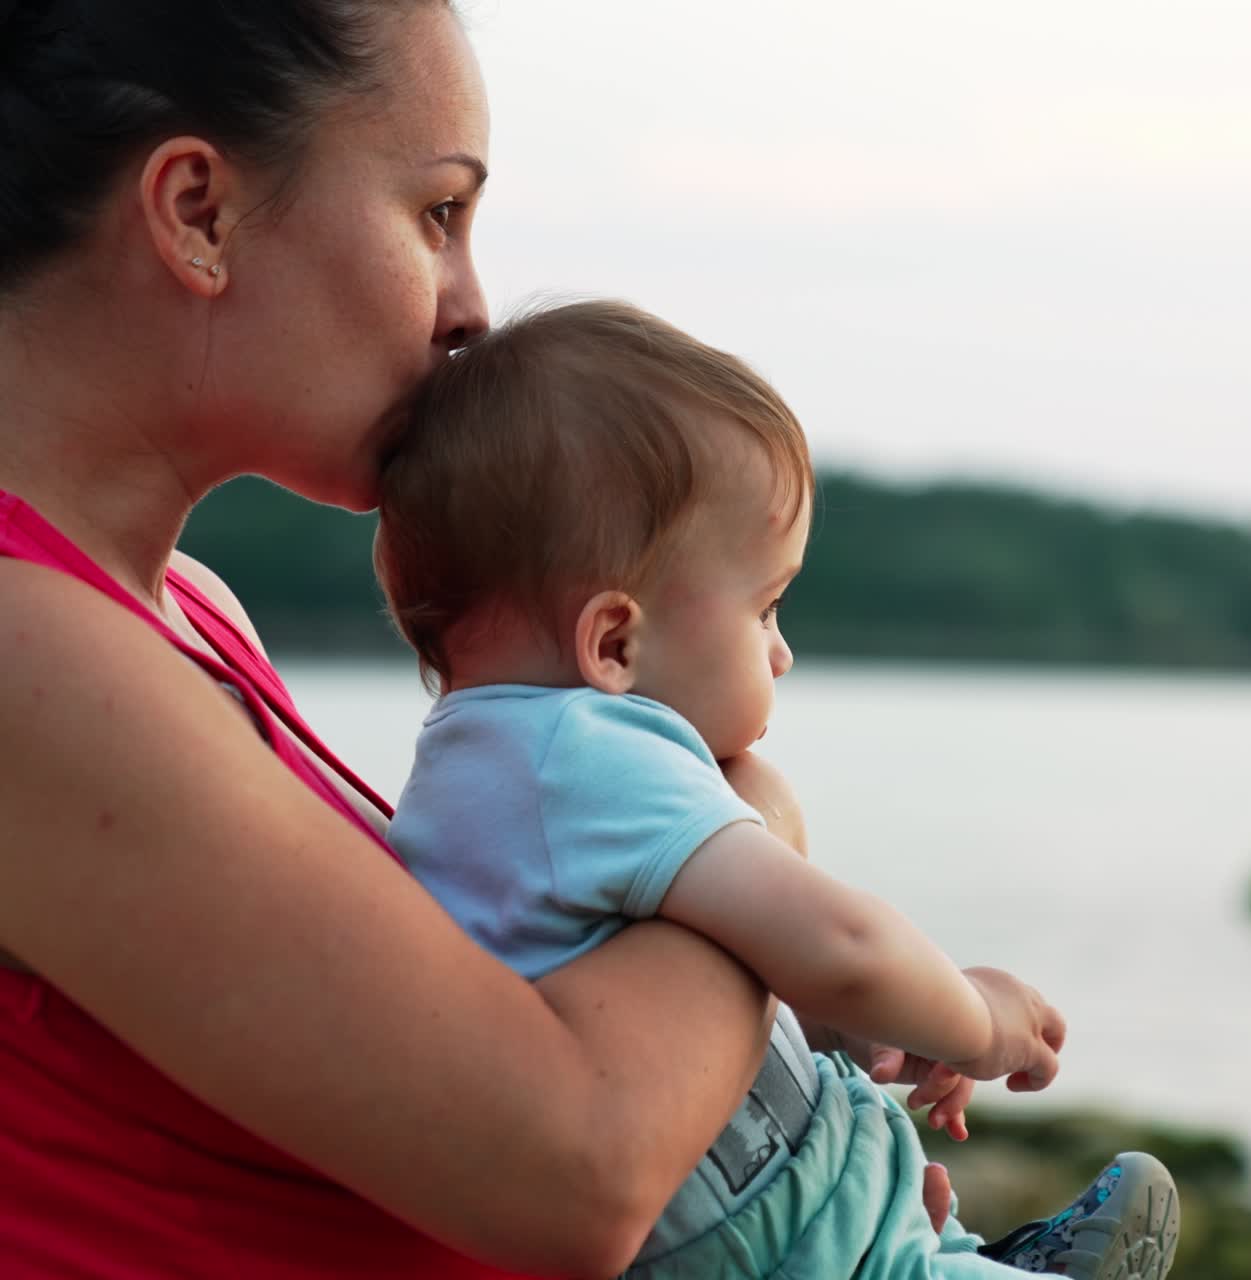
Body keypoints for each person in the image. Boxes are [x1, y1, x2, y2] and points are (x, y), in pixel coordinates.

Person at [0, 3, 830, 1275]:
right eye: (438, 215)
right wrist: (751, 844)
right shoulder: (25, 639)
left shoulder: (185, 608)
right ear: (197, 213)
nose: (470, 310)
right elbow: (580, 1164)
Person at [377, 299, 1182, 1279]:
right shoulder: (591, 750)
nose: (781, 652)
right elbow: (835, 944)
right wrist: (972, 1015)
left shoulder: (469, 770)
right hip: (774, 1226)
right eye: (763, 607)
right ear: (614, 642)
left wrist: (882, 1024)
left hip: (719, 1213)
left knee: (887, 1183)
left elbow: (675, 975)